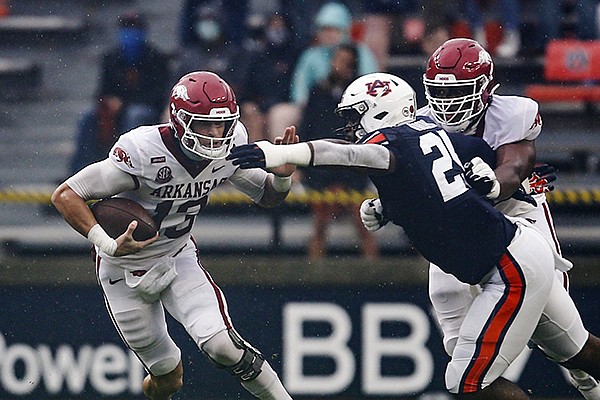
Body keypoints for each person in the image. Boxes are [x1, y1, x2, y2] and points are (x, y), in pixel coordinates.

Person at [228, 72, 600, 398]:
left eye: (355, 116)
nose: (349, 127)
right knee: (576, 350)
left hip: (509, 267)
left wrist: (279, 152)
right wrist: (391, 207)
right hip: (512, 254)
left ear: (380, 110)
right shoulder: (432, 135)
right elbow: (450, 176)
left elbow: (343, 153)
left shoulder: (395, 146)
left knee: (468, 382)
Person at [51, 71, 295, 400]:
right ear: (179, 120)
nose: (214, 133)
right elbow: (66, 195)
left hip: (176, 257)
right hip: (122, 270)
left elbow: (267, 196)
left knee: (221, 344)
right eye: (204, 124)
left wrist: (281, 178)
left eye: (221, 124)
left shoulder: (231, 142)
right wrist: (107, 242)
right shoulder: (142, 150)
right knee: (167, 379)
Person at [416, 37, 600, 399]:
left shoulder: (512, 113)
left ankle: (588, 381)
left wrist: (494, 184)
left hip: (517, 223)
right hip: (460, 233)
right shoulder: (419, 124)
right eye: (439, 91)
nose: (448, 103)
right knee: (463, 360)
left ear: (485, 89)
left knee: (568, 347)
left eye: (460, 91)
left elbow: (514, 167)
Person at [298, 44, 378, 260]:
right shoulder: (319, 90)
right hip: (322, 169)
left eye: (346, 62)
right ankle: (313, 275)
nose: (340, 65)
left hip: (352, 168)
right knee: (320, 225)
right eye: (338, 60)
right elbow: (308, 127)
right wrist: (302, 165)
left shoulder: (361, 96)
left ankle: (374, 275)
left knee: (364, 225)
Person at [69, 10, 171, 174]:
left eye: (134, 28)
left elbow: (157, 96)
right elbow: (102, 90)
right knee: (87, 118)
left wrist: (124, 103)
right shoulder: (111, 58)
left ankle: (127, 171)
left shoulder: (156, 59)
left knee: (135, 115)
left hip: (146, 111)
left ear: (143, 31)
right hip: (115, 111)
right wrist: (108, 102)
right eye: (126, 28)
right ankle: (79, 172)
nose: (130, 34)